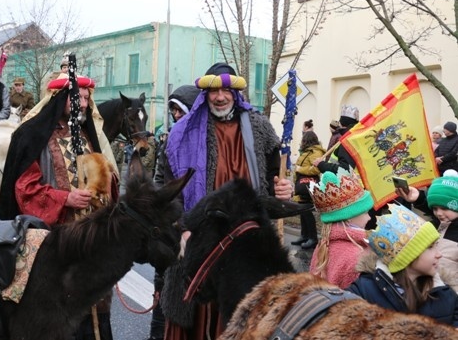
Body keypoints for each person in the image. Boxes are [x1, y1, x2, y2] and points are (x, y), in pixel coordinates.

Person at [159, 63, 293, 340]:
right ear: (205, 94)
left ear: (235, 92)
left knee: (244, 317)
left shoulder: (260, 128)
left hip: (247, 245)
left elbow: (271, 181)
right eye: (213, 91)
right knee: (197, 316)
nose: (220, 97)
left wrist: (283, 190)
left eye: (225, 90)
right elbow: (166, 189)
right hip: (198, 240)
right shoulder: (183, 133)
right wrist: (177, 226)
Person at [0, 73, 118, 340]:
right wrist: (65, 198)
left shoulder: (88, 135)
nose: (84, 104)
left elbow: (107, 180)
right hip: (53, 243)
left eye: (87, 99)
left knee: (93, 307)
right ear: (61, 98)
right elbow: (25, 189)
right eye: (78, 98)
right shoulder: (32, 135)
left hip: (89, 242)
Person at [348, 204, 458, 326]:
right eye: (430, 247)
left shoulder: (446, 295)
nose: (439, 254)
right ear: (408, 255)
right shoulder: (362, 293)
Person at [308, 168, 373, 288]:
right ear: (348, 217)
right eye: (365, 212)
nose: (369, 217)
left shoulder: (323, 245)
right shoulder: (357, 256)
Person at [291, 130, 325, 249]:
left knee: (306, 210)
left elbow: (316, 169)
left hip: (308, 186)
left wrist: (300, 170)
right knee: (302, 210)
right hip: (302, 185)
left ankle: (312, 238)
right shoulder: (307, 151)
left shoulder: (315, 152)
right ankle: (304, 235)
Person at [426, 171, 458, 282]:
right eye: (435, 209)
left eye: (444, 208)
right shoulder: (433, 226)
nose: (438, 213)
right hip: (433, 284)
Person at [313, 105, 360, 174]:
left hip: (346, 183)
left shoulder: (347, 141)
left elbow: (345, 169)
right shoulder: (355, 138)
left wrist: (322, 165)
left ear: (341, 123)